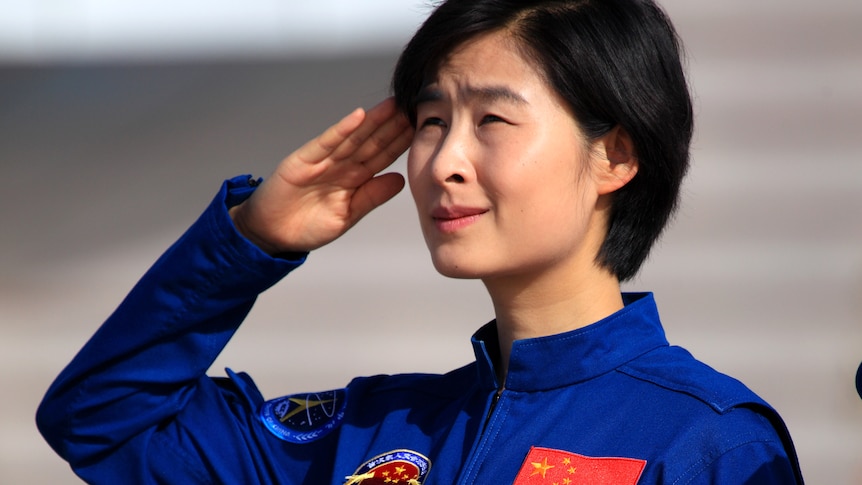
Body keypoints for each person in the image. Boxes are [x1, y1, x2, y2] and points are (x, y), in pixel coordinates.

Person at [37, 0, 803, 483]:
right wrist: (250, 241)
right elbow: (104, 419)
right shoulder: (372, 432)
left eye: (493, 121)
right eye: (432, 121)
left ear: (616, 156)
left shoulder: (710, 441)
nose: (445, 161)